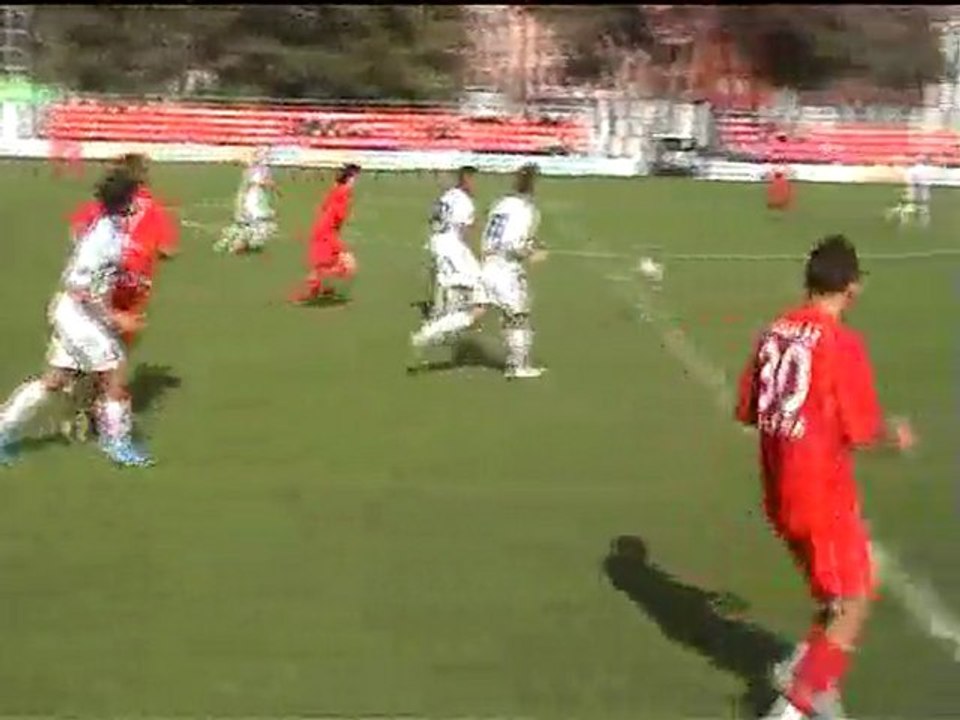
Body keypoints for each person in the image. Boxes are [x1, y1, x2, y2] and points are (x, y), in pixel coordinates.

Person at [735, 234, 915, 719]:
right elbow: (862, 429)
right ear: (852, 288)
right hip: (820, 494)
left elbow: (750, 408)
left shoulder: (774, 331)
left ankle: (809, 673)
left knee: (834, 596)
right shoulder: (841, 344)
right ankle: (794, 706)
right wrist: (893, 435)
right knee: (854, 600)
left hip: (779, 489)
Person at [0, 169, 153, 467]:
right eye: (137, 196)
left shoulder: (112, 228)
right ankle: (117, 444)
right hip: (80, 318)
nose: (141, 202)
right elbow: (79, 287)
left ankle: (3, 431)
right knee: (115, 376)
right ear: (126, 201)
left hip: (74, 314)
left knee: (54, 381)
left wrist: (125, 277)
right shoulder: (104, 237)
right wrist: (116, 317)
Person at [410, 163, 547, 379]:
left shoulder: (500, 204)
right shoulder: (525, 210)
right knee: (517, 317)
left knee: (474, 313)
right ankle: (518, 366)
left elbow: (489, 235)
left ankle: (427, 333)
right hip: (505, 269)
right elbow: (513, 244)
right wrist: (531, 252)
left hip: (488, 266)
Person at [289, 163, 360, 304]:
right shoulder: (344, 193)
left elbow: (325, 207)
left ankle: (318, 289)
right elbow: (338, 214)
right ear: (350, 178)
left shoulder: (337, 190)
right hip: (327, 234)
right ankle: (312, 288)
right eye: (354, 177)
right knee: (347, 266)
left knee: (333, 266)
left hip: (324, 231)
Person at [423, 165, 480, 319]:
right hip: (449, 243)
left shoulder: (448, 195)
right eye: (472, 180)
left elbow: (434, 217)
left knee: (465, 275)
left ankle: (450, 309)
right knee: (454, 278)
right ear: (466, 179)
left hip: (437, 239)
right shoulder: (464, 201)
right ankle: (441, 314)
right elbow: (464, 230)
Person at [216, 147, 277, 254]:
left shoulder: (256, 170)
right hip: (253, 201)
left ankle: (237, 242)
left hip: (252, 201)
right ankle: (239, 242)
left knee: (247, 221)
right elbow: (256, 182)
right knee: (251, 221)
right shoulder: (256, 171)